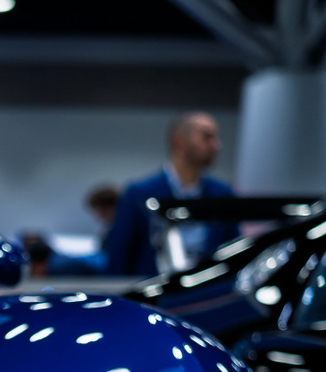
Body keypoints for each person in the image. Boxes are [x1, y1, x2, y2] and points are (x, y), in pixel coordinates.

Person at [103, 112, 241, 276]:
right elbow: (118, 260)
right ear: (179, 142)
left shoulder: (223, 194)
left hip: (209, 289)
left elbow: (234, 255)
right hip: (154, 288)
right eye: (206, 137)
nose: (217, 145)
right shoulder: (138, 194)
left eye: (216, 138)